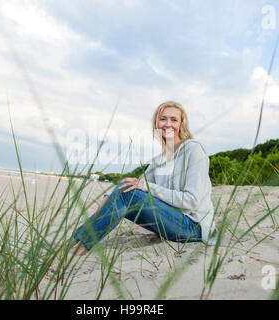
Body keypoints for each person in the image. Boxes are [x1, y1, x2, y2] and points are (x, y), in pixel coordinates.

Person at [69, 101, 217, 256]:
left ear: (182, 124)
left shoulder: (193, 150)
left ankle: (81, 247)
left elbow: (191, 201)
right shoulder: (160, 159)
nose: (168, 124)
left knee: (127, 194)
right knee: (125, 190)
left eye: (174, 120)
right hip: (170, 223)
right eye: (163, 119)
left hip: (193, 227)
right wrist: (108, 197)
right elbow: (135, 185)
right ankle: (74, 241)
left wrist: (145, 187)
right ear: (156, 124)